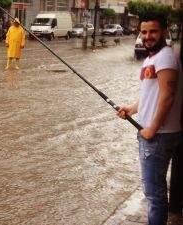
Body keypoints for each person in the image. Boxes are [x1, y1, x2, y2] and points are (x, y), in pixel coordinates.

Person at [117, 12, 183, 225]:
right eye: (144, 32)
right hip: (156, 135)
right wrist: (131, 109)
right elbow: (150, 95)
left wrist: (152, 128)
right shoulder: (152, 58)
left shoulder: (164, 56)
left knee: (154, 195)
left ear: (164, 31)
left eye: (153, 31)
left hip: (159, 137)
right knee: (155, 192)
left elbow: (168, 95)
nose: (147, 36)